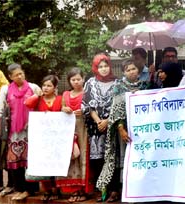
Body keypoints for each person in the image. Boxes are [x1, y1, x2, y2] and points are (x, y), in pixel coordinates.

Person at [96, 60, 150, 203]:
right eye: (128, 70)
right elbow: (116, 110)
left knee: (139, 158)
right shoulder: (119, 86)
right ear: (124, 72)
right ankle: (117, 191)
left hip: (141, 127)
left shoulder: (146, 85)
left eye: (133, 69)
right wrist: (121, 128)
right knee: (122, 157)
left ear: (138, 70)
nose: (131, 72)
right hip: (124, 127)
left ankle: (138, 190)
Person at [0, 63, 41, 201]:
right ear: (10, 77)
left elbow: (42, 101)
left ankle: (31, 190)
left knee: (31, 160)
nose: (20, 76)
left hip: (31, 129)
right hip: (13, 130)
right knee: (15, 160)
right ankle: (20, 188)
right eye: (16, 75)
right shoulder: (5, 89)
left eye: (21, 73)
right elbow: (0, 109)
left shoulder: (33, 87)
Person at [82, 53, 116, 202]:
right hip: (95, 128)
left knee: (111, 158)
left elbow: (120, 105)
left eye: (106, 65)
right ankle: (100, 190)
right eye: (100, 66)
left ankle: (113, 190)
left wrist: (107, 121)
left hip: (112, 125)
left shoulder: (118, 83)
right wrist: (98, 121)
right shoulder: (90, 82)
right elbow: (87, 103)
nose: (103, 69)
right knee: (97, 160)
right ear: (95, 68)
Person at [24, 75, 63, 202]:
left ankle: (56, 189)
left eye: (49, 86)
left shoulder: (60, 99)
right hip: (42, 138)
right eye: (44, 85)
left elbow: (64, 115)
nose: (46, 88)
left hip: (56, 138)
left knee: (55, 164)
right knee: (43, 164)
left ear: (55, 87)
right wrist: (37, 95)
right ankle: (46, 189)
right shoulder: (38, 100)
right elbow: (27, 103)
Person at [57, 67, 91, 203]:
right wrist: (63, 109)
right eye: (73, 79)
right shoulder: (65, 94)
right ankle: (73, 190)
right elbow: (61, 109)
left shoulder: (87, 93)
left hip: (84, 127)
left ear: (83, 79)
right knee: (71, 157)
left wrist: (84, 112)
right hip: (68, 128)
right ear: (69, 81)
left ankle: (83, 190)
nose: (76, 82)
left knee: (83, 155)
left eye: (78, 79)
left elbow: (92, 109)